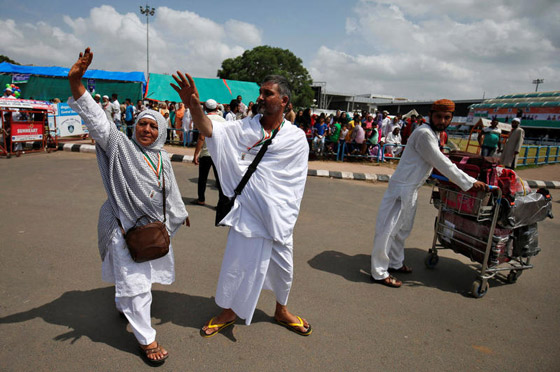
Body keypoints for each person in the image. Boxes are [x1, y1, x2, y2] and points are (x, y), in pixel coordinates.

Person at [67, 48, 189, 365]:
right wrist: (77, 83)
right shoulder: (120, 145)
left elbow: (170, 191)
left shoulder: (163, 158)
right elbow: (99, 121)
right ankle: (146, 340)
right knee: (136, 282)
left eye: (152, 126)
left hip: (153, 230)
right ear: (134, 127)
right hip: (124, 227)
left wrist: (178, 214)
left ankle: (126, 304)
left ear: (161, 131)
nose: (146, 130)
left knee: (140, 275)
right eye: (142, 125)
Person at [171, 71, 312, 337]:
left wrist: (281, 211)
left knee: (283, 267)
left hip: (278, 218)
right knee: (237, 265)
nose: (260, 97)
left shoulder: (295, 138)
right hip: (248, 211)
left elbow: (294, 184)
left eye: (267, 93)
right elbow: (210, 130)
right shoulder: (243, 127)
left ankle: (281, 309)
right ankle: (228, 311)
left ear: (283, 101)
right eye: (261, 92)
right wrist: (193, 105)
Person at [370, 99, 487, 288]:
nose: (442, 120)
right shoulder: (424, 134)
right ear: (430, 115)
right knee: (388, 230)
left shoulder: (434, 133)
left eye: (446, 117)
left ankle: (395, 262)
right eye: (438, 116)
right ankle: (379, 272)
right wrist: (470, 182)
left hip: (411, 188)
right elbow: (441, 162)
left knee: (402, 230)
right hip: (402, 187)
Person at [191, 99, 226, 206]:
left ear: (205, 108)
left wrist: (196, 154)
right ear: (216, 108)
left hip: (206, 153)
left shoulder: (204, 119)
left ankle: (201, 199)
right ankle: (221, 203)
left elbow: (201, 138)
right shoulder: (223, 120)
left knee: (203, 178)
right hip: (218, 154)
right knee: (220, 180)